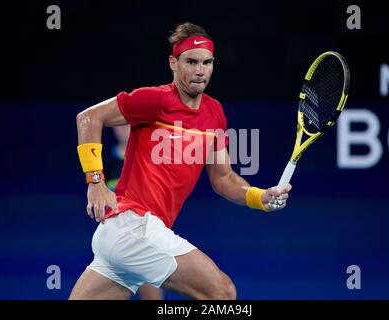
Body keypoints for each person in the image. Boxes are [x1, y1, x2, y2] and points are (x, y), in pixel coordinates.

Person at [70, 22, 292, 300]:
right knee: (222, 294)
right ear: (173, 63)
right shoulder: (154, 100)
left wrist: (261, 197)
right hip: (133, 226)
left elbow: (223, 178)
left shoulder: (215, 113)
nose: (200, 70)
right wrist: (96, 182)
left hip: (122, 238)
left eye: (207, 62)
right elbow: (89, 118)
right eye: (191, 62)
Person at [103, 125, 164, 300]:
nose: (123, 129)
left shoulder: (147, 159)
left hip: (145, 237)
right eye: (118, 126)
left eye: (127, 125)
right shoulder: (104, 164)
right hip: (114, 239)